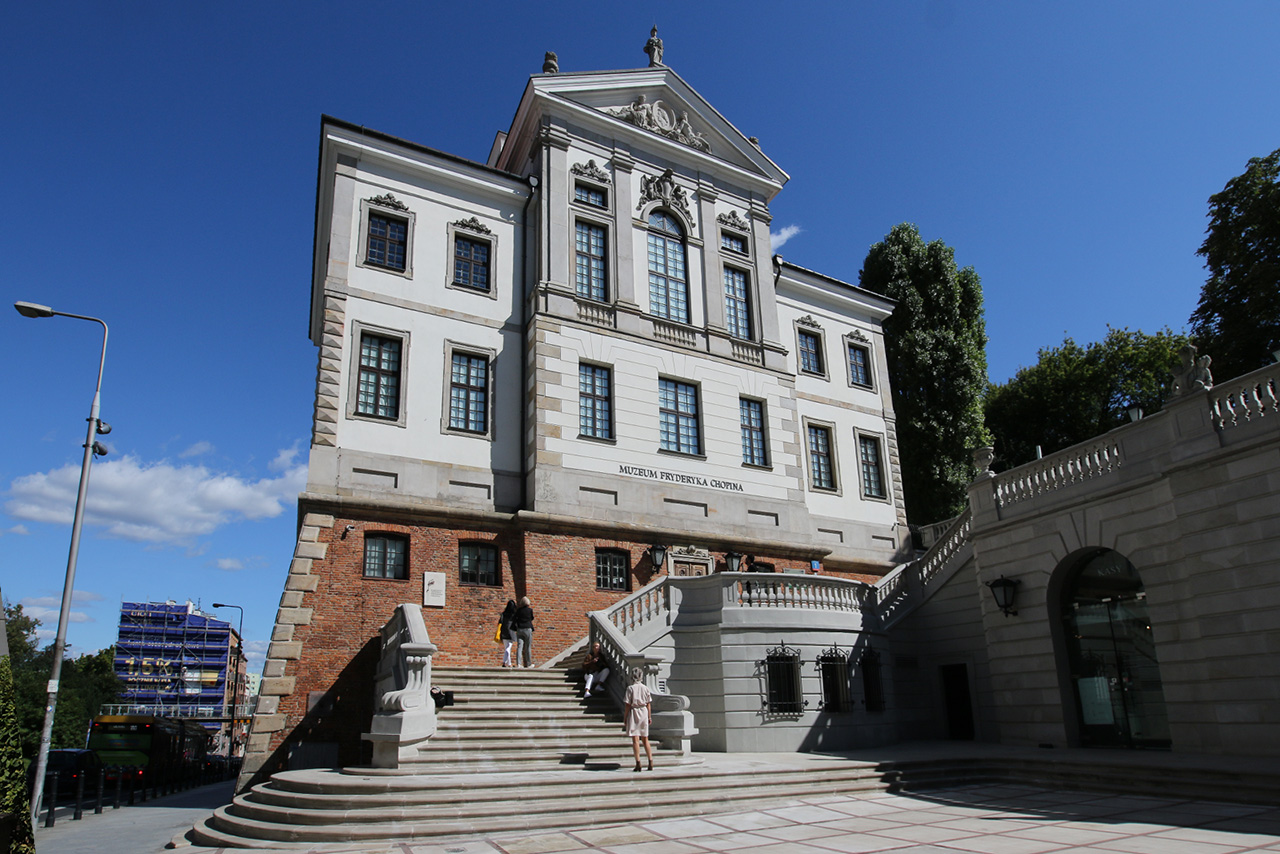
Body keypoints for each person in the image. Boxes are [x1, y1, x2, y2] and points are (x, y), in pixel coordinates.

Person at [623, 667, 654, 771]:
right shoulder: (645, 688)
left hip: (634, 711)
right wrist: (649, 716)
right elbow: (649, 704)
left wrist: (625, 717)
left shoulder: (630, 688)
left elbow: (627, 704)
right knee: (645, 738)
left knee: (635, 739)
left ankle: (638, 762)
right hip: (644, 711)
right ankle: (650, 761)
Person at [513, 596, 535, 668]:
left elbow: (515, 619)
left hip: (520, 629)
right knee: (528, 647)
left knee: (519, 647)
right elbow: (532, 618)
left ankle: (519, 663)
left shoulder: (518, 611)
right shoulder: (529, 610)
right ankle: (528, 663)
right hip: (527, 628)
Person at [498, 599, 516, 667]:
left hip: (504, 631)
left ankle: (505, 662)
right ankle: (508, 663)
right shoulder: (513, 614)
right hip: (511, 631)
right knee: (508, 648)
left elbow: (500, 622)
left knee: (506, 647)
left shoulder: (504, 613)